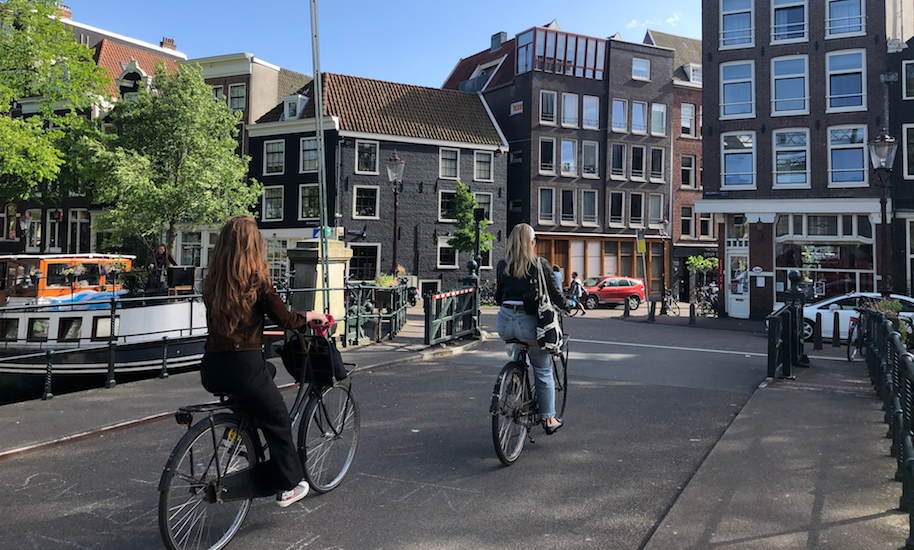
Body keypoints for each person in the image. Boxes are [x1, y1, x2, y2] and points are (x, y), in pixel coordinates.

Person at [201, 215, 331, 508]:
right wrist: (309, 318)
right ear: (254, 246)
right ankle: (287, 487)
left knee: (264, 375)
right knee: (278, 418)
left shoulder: (211, 282)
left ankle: (234, 439)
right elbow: (284, 319)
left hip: (212, 367)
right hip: (244, 366)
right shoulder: (257, 281)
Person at [495, 223, 570, 434]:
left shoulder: (502, 265)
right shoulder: (539, 264)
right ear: (532, 243)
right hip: (530, 326)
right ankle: (549, 419)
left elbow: (498, 297)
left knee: (520, 344)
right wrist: (570, 305)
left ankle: (515, 378)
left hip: (504, 324)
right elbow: (556, 296)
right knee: (543, 369)